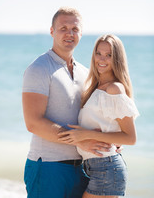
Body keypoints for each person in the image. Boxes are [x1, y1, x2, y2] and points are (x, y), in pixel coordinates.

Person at [22, 7, 112, 198]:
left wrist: (109, 140)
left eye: (75, 29)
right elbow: (33, 123)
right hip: (47, 166)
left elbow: (92, 117)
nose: (69, 33)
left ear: (81, 33)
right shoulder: (39, 68)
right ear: (52, 31)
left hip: (81, 167)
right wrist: (81, 139)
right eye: (63, 28)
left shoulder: (86, 73)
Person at [58, 34, 139, 198]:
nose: (102, 59)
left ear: (117, 59)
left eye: (109, 55)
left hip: (107, 169)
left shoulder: (114, 89)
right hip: (94, 167)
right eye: (98, 53)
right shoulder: (94, 87)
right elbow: (110, 128)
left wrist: (86, 134)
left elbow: (130, 138)